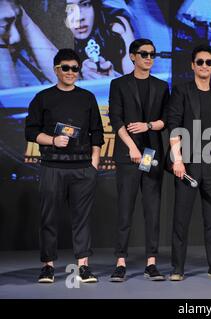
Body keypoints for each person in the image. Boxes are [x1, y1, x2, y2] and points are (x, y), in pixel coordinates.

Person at [25, 48, 104, 283]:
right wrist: (52, 140)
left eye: (75, 68)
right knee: (48, 218)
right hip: (52, 166)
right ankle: (48, 267)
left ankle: (83, 267)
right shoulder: (43, 97)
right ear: (56, 69)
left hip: (82, 168)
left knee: (82, 218)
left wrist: (94, 162)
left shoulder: (87, 97)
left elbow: (97, 132)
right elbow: (30, 131)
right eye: (66, 68)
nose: (71, 72)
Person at [167, 44, 211, 281]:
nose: (204, 66)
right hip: (188, 163)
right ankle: (177, 268)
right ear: (192, 65)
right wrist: (177, 159)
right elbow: (174, 124)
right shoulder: (182, 91)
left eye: (208, 62)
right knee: (181, 217)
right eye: (200, 62)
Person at [108, 38, 169, 282]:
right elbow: (116, 120)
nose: (149, 58)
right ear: (133, 56)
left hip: (152, 154)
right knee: (125, 209)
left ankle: (151, 262)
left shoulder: (162, 86)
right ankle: (120, 261)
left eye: (153, 54)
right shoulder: (119, 84)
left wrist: (148, 125)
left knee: (152, 210)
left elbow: (166, 120)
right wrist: (132, 146)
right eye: (144, 54)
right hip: (127, 155)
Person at [64, 0, 135, 79]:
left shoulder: (115, 27)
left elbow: (136, 84)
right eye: (69, 8)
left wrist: (112, 77)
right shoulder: (53, 40)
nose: (80, 17)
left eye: (85, 4)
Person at [0, 0, 57, 88]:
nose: (16, 38)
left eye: (17, 22)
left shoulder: (22, 57)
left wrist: (25, 21)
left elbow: (68, 81)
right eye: (6, 26)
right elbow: (12, 99)